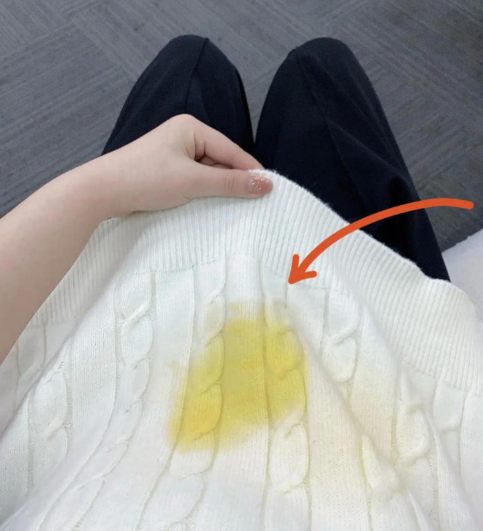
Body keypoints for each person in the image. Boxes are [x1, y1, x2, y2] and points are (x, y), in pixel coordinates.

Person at [0, 35, 481, 530]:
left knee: (190, 68)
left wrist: (102, 186)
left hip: (112, 328)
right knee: (316, 76)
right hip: (375, 348)